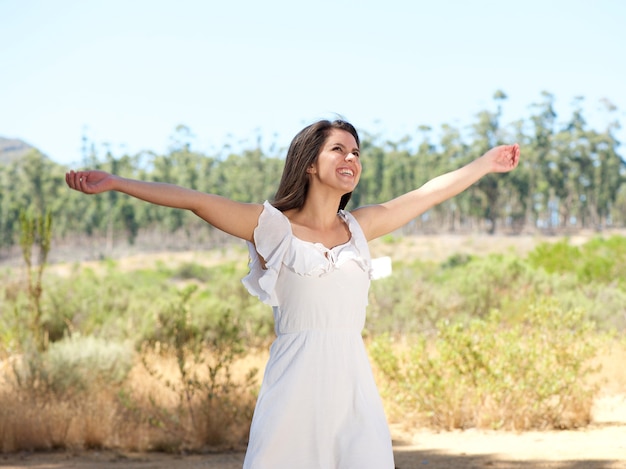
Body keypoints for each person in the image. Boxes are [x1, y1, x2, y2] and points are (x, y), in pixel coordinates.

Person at [66, 119, 520, 468]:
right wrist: (117, 182)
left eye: (356, 152)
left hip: (352, 383)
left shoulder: (360, 228)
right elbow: (195, 199)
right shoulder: (272, 228)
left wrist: (486, 163)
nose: (351, 158)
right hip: (294, 386)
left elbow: (425, 194)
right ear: (309, 162)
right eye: (338, 149)